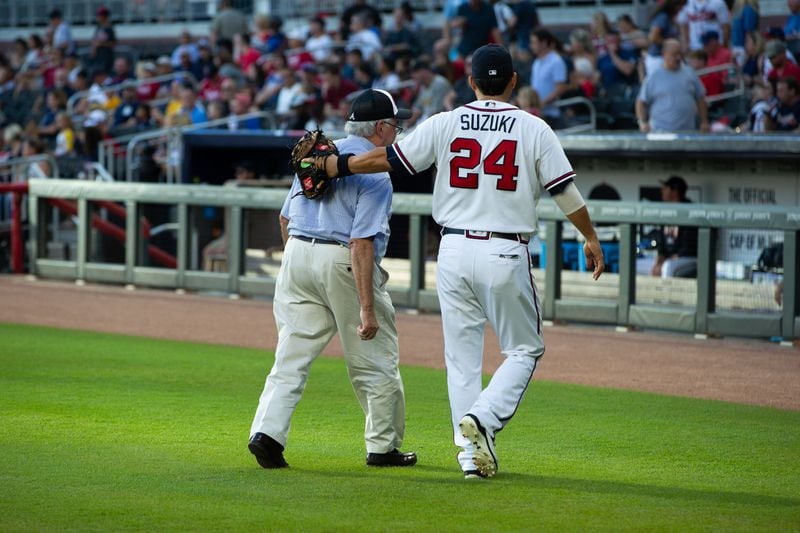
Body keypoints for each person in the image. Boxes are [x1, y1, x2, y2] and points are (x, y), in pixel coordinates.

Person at [309, 45, 605, 479]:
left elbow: (389, 160)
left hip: (451, 250)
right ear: (512, 82)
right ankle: (483, 421)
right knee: (524, 348)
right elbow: (564, 192)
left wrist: (334, 165)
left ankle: (470, 456)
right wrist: (590, 236)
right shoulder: (533, 127)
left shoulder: (446, 121)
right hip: (504, 249)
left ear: (471, 83)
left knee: (462, 359)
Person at [248, 89, 417, 470]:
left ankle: (266, 434)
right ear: (379, 128)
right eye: (394, 123)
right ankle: (383, 446)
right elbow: (361, 243)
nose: (397, 130)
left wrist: (298, 258)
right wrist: (367, 309)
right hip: (342, 260)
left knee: (290, 356)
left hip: (297, 254)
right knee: (374, 359)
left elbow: (285, 218)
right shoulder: (374, 172)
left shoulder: (317, 155)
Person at [636, 39, 709, 132]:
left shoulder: (690, 73)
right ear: (664, 54)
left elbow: (700, 98)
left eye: (680, 54)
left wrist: (704, 121)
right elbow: (641, 102)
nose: (678, 58)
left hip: (687, 132)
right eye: (674, 55)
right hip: (660, 132)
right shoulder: (654, 76)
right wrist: (642, 122)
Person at [651, 176, 699, 278]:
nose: (662, 191)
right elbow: (661, 244)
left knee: (667, 267)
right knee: (638, 264)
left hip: (688, 258)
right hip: (670, 258)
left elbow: (689, 247)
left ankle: (665, 294)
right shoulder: (665, 211)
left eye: (665, 188)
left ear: (675, 191)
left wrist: (666, 261)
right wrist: (659, 260)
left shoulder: (690, 211)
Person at [90, 6, 116, 74]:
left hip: (106, 57)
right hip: (98, 57)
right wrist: (94, 48)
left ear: (105, 16)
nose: (98, 17)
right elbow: (95, 40)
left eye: (100, 15)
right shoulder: (99, 27)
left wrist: (101, 44)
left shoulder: (109, 28)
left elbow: (113, 43)